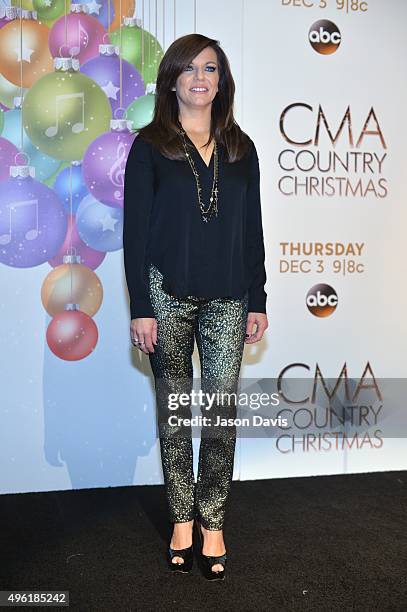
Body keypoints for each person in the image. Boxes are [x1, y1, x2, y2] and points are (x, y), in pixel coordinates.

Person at [123, 33, 268, 581]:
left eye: (211, 68)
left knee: (221, 415)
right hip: (166, 295)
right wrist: (141, 307)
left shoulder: (241, 147)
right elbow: (135, 236)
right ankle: (181, 519)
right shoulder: (149, 146)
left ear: (221, 80)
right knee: (177, 412)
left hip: (230, 297)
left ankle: (214, 522)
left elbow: (252, 230)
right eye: (190, 69)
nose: (201, 77)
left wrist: (258, 297)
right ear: (173, 81)